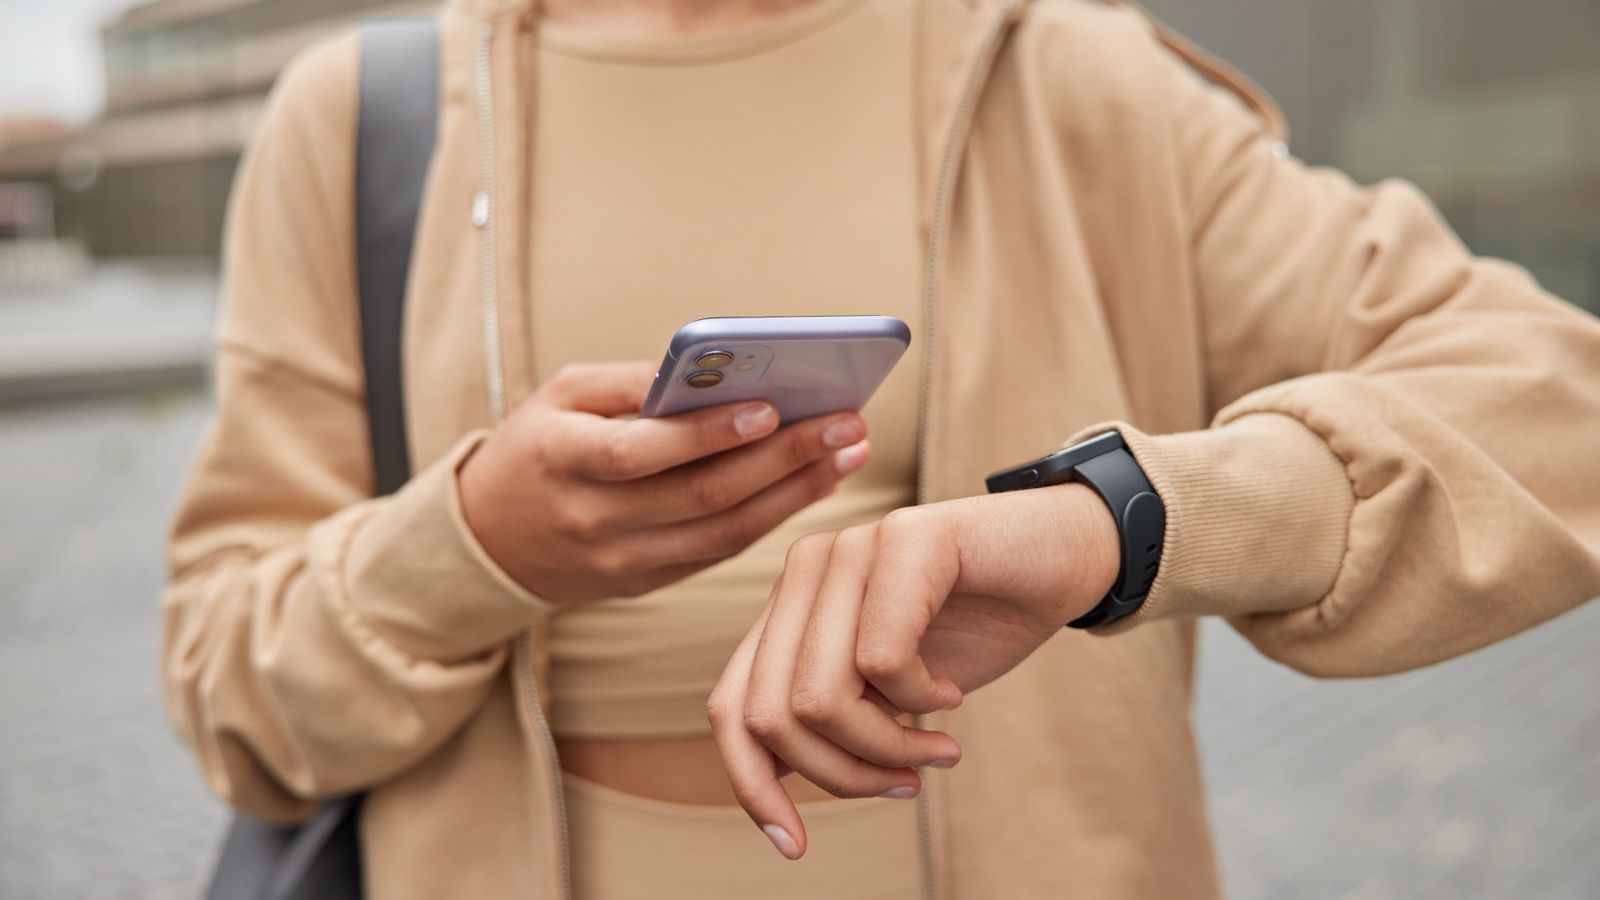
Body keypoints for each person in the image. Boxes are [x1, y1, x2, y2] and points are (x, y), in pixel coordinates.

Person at [159, 0, 1600, 897]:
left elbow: (1558, 408)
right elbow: (230, 695)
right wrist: (470, 547)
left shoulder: (1075, 80)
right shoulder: (360, 126)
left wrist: (1121, 521)